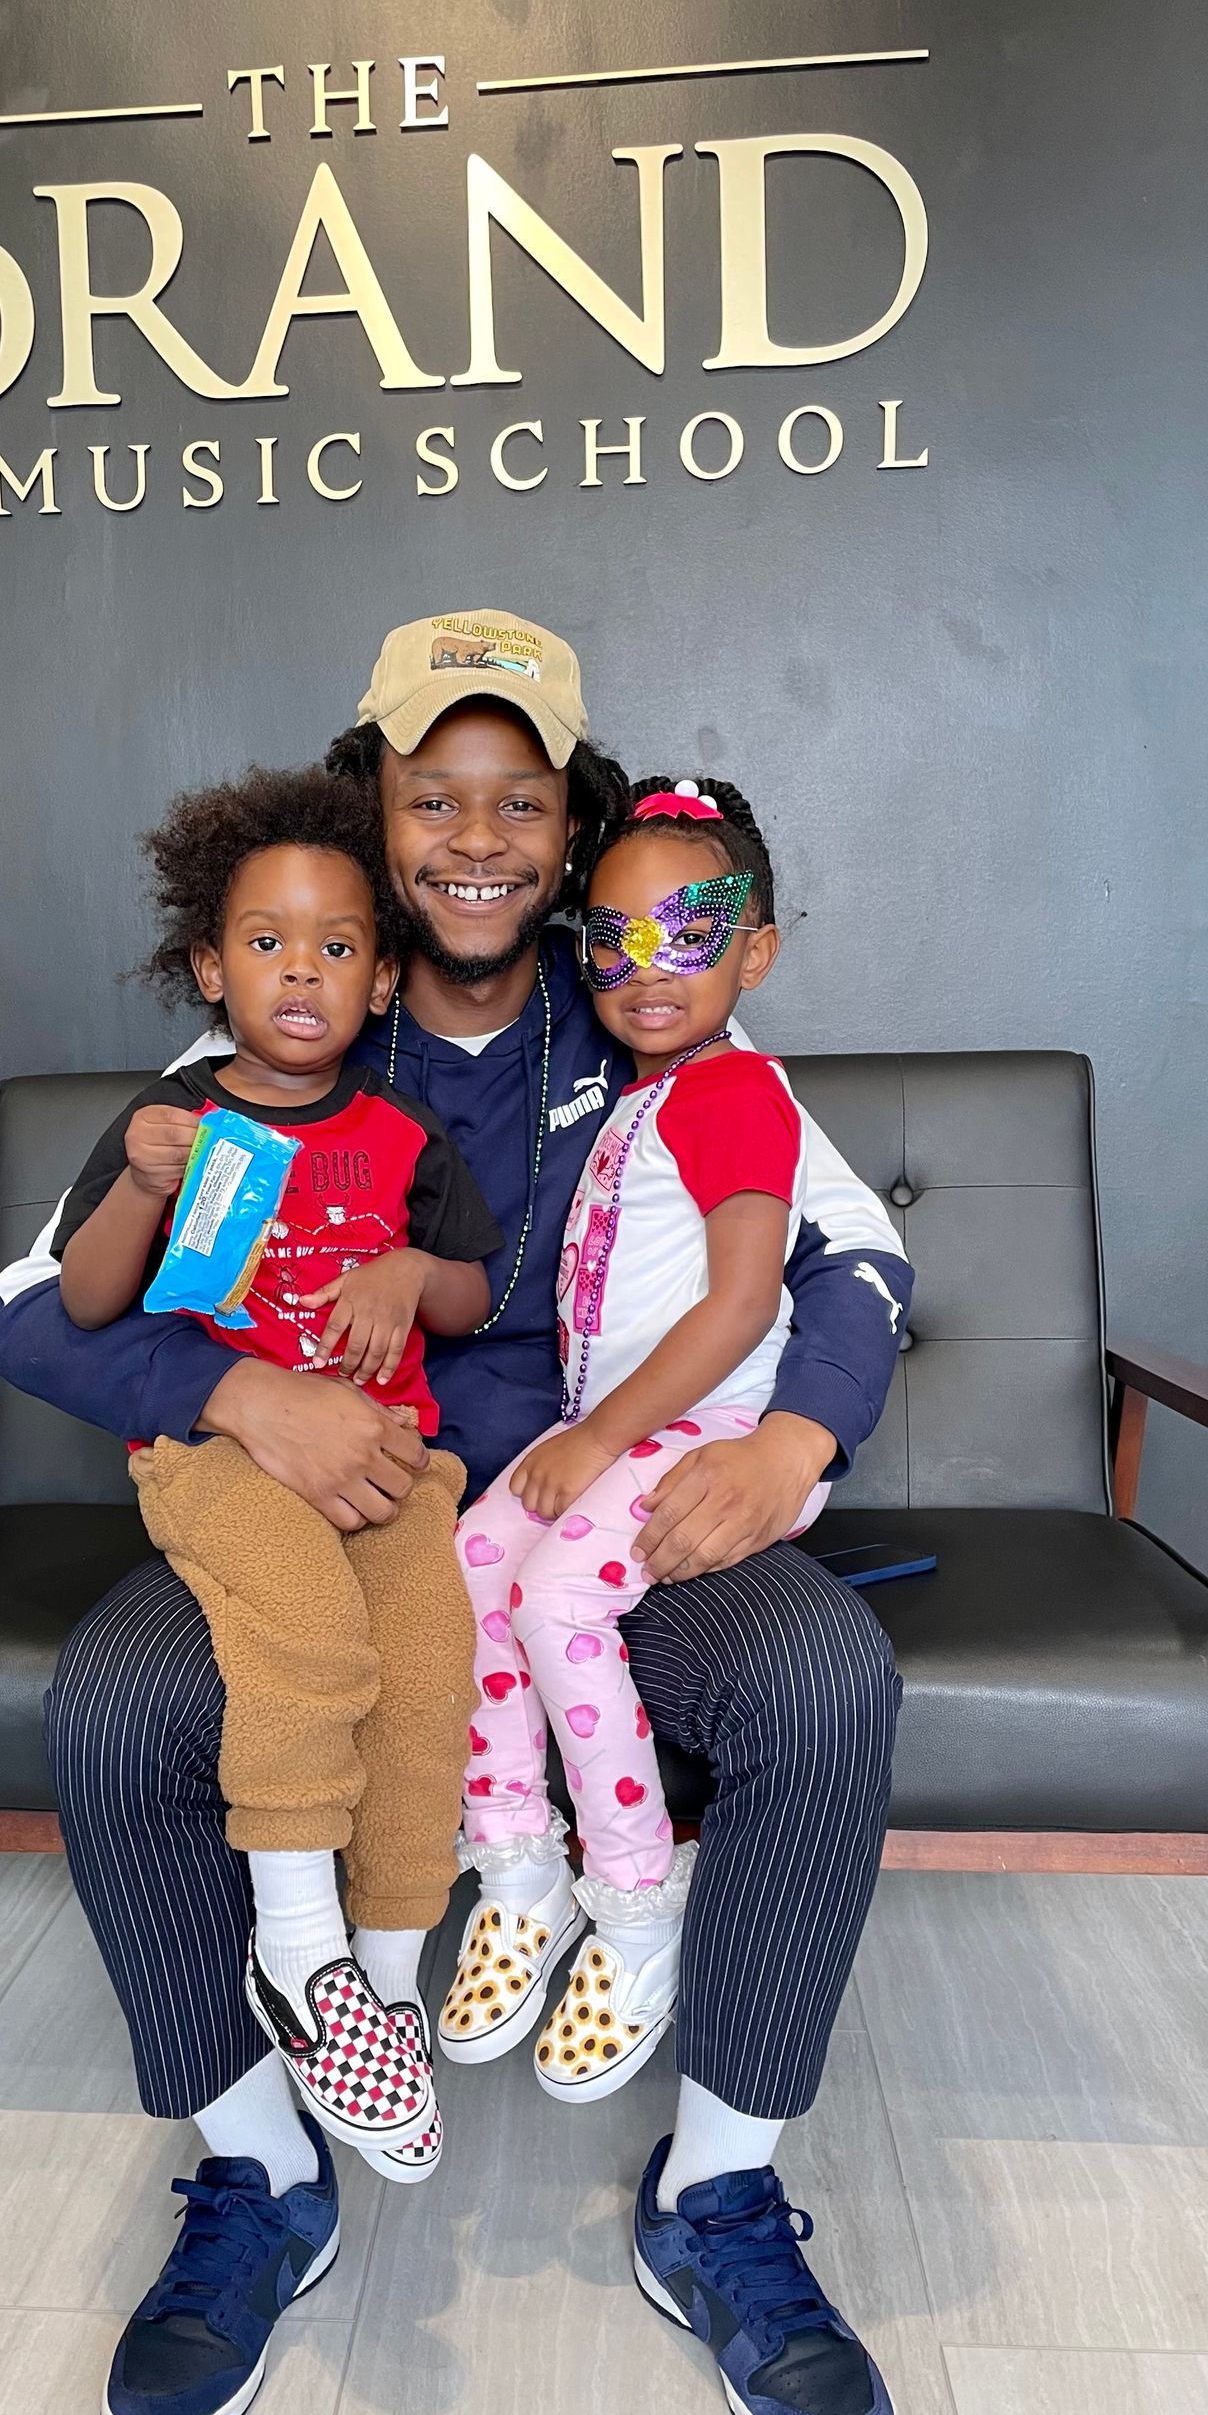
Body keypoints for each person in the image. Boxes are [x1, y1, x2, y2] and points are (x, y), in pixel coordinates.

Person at [0, 609, 915, 2415]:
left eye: (516, 804)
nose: (473, 845)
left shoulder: (664, 1007)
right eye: (431, 799)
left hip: (612, 1532)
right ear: (379, 812)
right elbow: (27, 1306)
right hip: (329, 1526)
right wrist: (248, 1398)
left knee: (826, 1679)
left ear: (570, 832)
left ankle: (720, 2198)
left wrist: (805, 1429)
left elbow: (861, 1261)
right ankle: (259, 2167)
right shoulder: (286, 1007)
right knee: (107, 1710)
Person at [52, 768, 501, 2177]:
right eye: (264, 943)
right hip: (220, 1460)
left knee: (431, 1669)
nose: (299, 970)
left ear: (380, 984)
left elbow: (475, 1300)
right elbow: (76, 1305)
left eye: (337, 946)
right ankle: (297, 1956)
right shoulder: (173, 1125)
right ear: (206, 966)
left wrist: (414, 1269)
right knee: (307, 1634)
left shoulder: (407, 1141)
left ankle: (379, 1976)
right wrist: (138, 1180)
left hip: (390, 1463)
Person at [446, 776, 829, 2110]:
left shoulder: (734, 1093)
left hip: (696, 1432)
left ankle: (633, 1900)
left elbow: (739, 1303)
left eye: (692, 932)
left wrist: (595, 1435)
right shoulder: (649, 1096)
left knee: (554, 1599)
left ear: (755, 951)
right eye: (611, 938)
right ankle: (515, 1865)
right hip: (619, 1431)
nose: (647, 969)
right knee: (468, 1568)